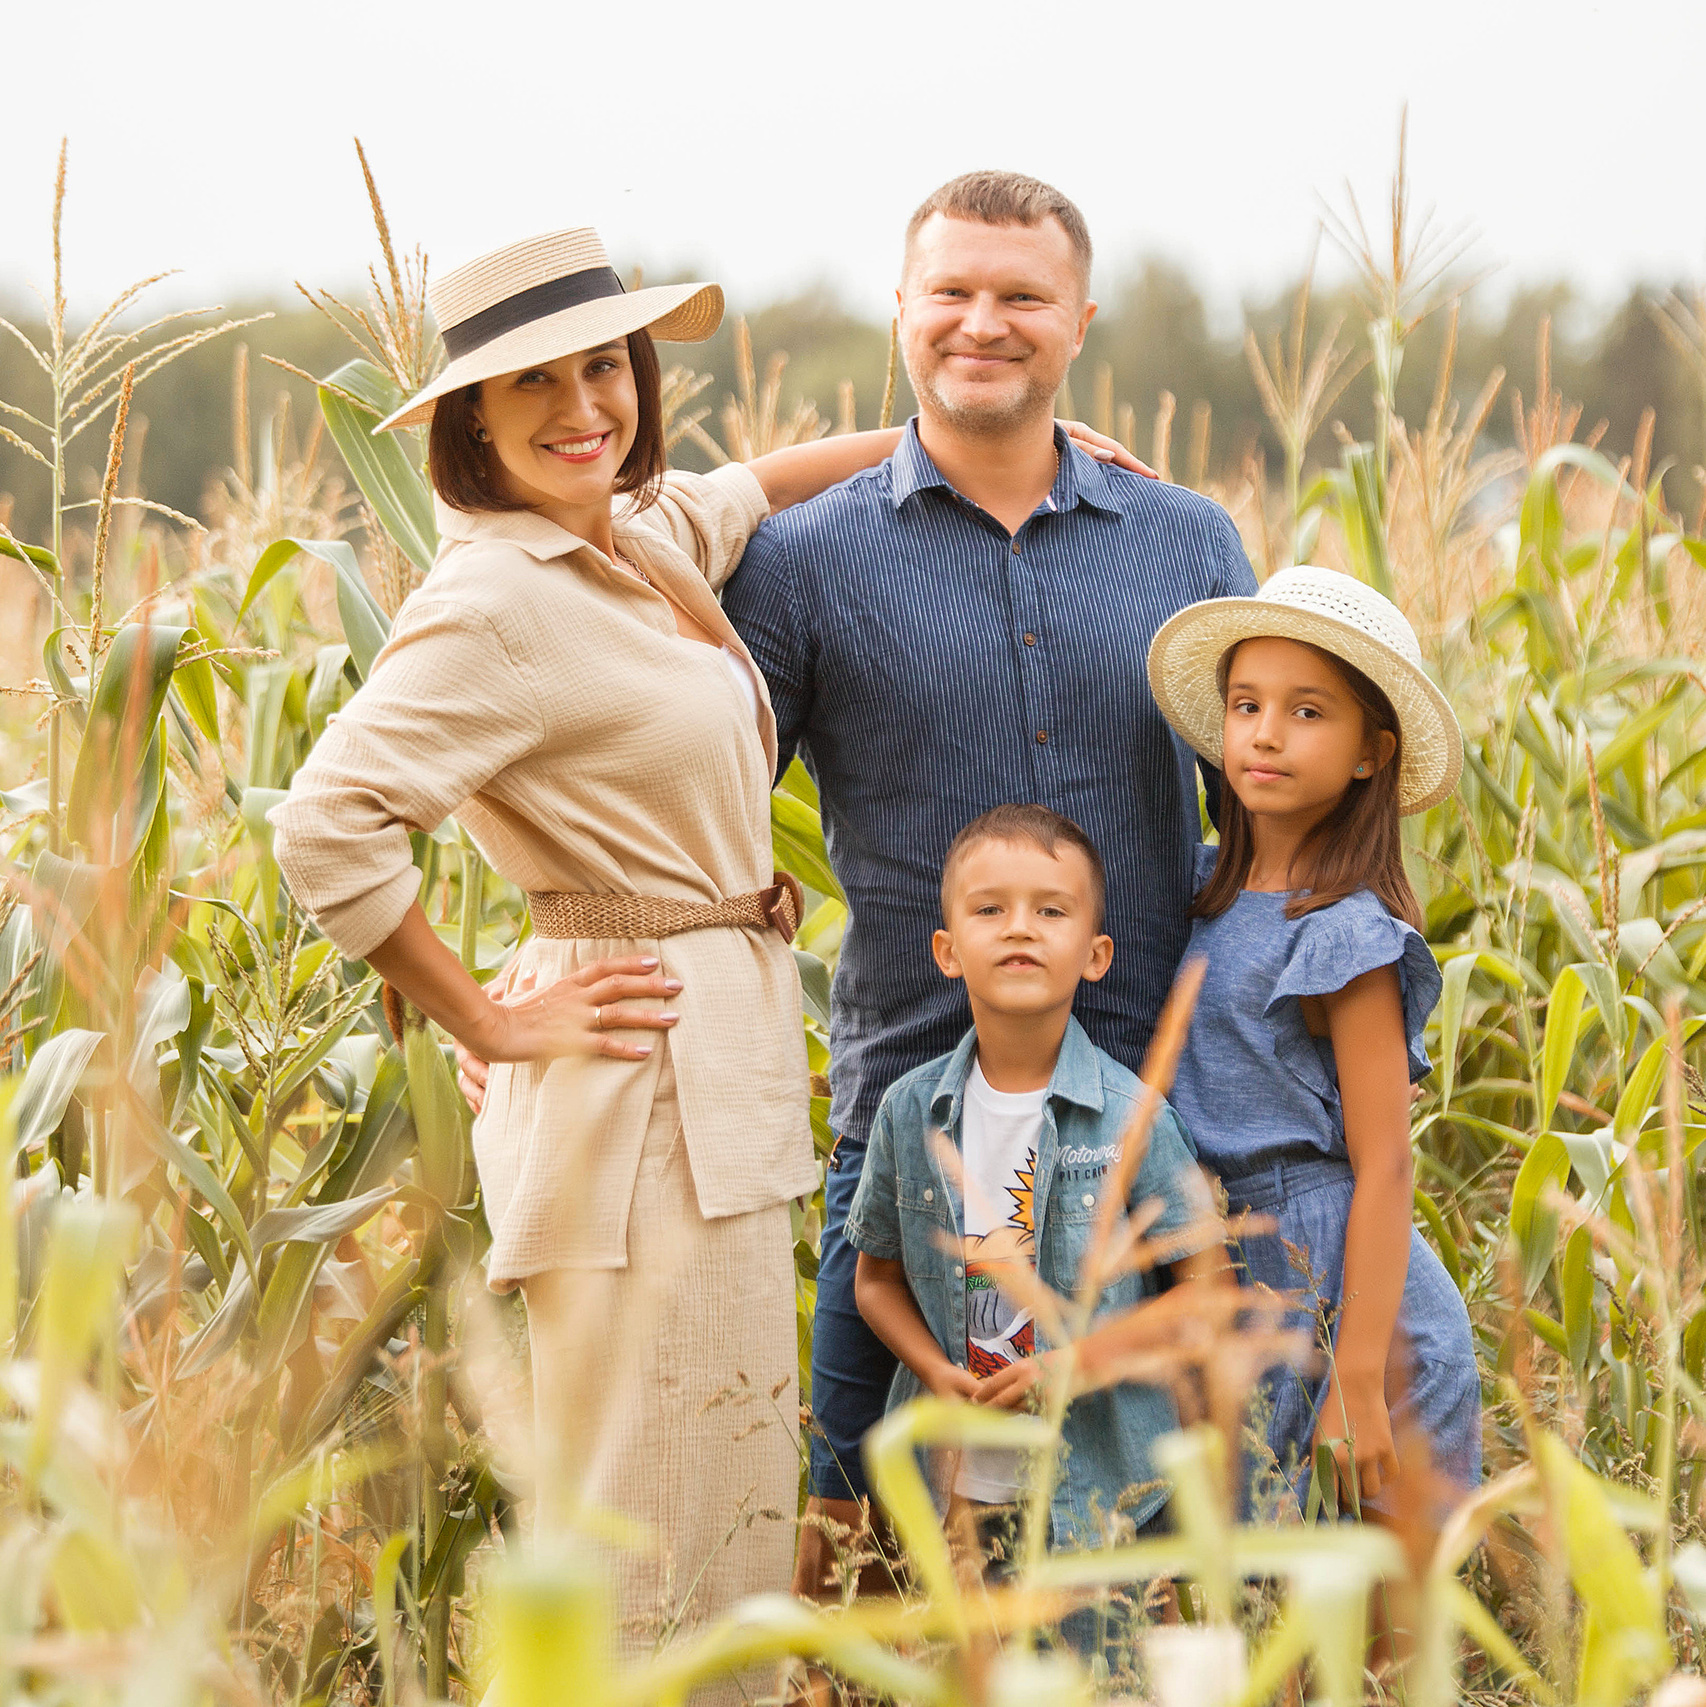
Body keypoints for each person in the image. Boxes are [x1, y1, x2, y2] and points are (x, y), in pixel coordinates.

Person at [717, 170, 1259, 1591]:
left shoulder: (1185, 543)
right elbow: (681, 793)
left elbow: (1261, 816)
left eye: (1021, 296)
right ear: (899, 309)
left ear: (1077, 319)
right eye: (949, 291)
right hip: (907, 1093)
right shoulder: (798, 561)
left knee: (1152, 1498)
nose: (983, 322)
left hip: (1143, 1101)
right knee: (849, 1489)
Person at [1145, 566, 1481, 1516]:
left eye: (1307, 713)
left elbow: (1384, 1167)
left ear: (1372, 754)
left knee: (1382, 1622)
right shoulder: (1206, 891)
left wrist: (1361, 1380)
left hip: (1353, 1295)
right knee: (1277, 1599)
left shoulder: (1344, 933)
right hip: (1248, 1280)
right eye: (1247, 704)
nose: (1264, 732)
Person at [846, 805, 1225, 1567]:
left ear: (1096, 953)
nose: (1020, 927)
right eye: (991, 909)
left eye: (1050, 910)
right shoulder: (908, 1112)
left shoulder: (1131, 1117)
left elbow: (1205, 1290)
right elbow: (875, 1279)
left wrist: (1071, 1365)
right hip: (958, 1485)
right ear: (948, 951)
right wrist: (934, 1371)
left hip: (1100, 1490)